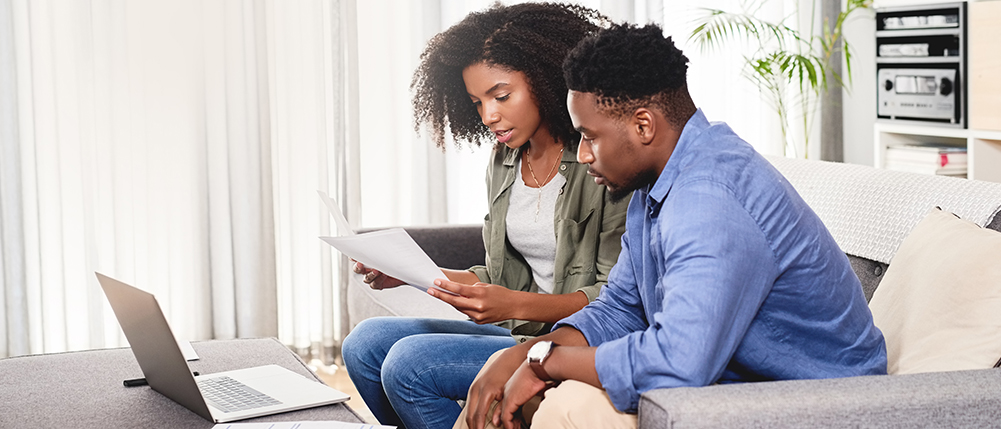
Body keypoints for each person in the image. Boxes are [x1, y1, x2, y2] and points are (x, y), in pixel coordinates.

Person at [459, 23, 888, 429]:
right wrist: (522, 354)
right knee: (515, 397)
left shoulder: (709, 199)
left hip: (822, 403)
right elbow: (621, 307)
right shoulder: (656, 183)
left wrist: (545, 360)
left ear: (643, 125)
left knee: (567, 403)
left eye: (590, 136)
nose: (584, 154)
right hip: (739, 384)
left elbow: (680, 361)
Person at [340, 4, 628, 429]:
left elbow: (614, 300)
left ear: (546, 80)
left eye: (501, 95)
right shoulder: (505, 160)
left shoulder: (599, 158)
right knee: (363, 344)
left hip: (572, 339)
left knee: (410, 364)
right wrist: (414, 273)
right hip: (522, 329)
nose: (489, 115)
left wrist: (514, 303)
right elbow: (499, 276)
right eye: (477, 102)